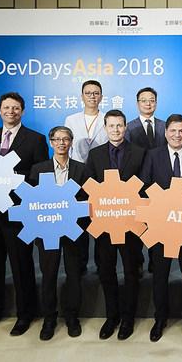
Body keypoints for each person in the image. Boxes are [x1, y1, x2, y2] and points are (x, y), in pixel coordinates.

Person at [0, 92, 49, 337]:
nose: (11, 112)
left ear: (22, 111)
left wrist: (11, 182)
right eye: (7, 108)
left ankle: (25, 314)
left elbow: (40, 174)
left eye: (16, 108)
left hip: (18, 212)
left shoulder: (35, 139)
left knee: (21, 265)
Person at [140, 114, 182, 343]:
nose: (177, 135)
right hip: (161, 227)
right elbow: (145, 187)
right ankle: (160, 318)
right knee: (160, 275)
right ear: (165, 133)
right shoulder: (153, 156)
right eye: (173, 131)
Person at [86, 110, 146, 340]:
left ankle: (128, 318)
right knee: (106, 270)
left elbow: (145, 187)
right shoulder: (95, 154)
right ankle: (112, 316)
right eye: (111, 126)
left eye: (120, 125)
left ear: (125, 127)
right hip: (104, 223)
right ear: (105, 127)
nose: (116, 130)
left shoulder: (140, 153)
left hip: (130, 223)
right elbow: (89, 187)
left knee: (131, 271)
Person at [28, 126, 90, 341]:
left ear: (71, 142)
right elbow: (31, 202)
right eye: (57, 139)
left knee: (74, 275)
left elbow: (87, 202)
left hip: (73, 230)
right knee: (49, 276)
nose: (62, 143)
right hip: (47, 230)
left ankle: (72, 318)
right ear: (51, 142)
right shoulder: (38, 169)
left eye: (66, 139)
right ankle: (49, 319)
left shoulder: (82, 169)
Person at [64, 79, 108, 276]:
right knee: (79, 221)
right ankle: (80, 264)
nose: (92, 96)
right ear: (82, 96)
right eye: (88, 93)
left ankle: (101, 264)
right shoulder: (71, 119)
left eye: (96, 93)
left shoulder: (108, 118)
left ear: (101, 96)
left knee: (100, 223)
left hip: (101, 176)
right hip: (77, 176)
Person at [124, 86, 165, 275]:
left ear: (156, 103)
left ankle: (155, 261)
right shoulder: (129, 127)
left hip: (160, 184)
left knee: (157, 224)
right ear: (137, 103)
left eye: (151, 100)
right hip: (137, 183)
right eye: (144, 100)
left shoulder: (164, 126)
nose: (148, 103)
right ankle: (139, 261)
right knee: (138, 226)